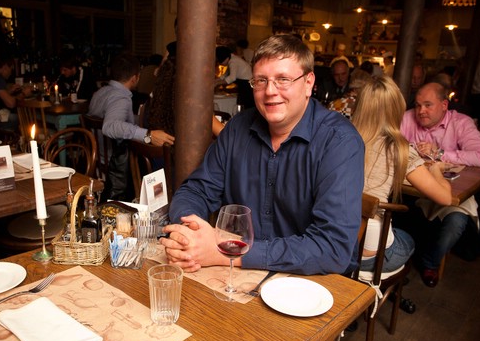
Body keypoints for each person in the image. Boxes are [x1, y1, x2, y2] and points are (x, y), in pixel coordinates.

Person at [159, 34, 365, 275]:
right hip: (236, 274)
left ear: (308, 83)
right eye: (260, 80)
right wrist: (188, 235)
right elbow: (195, 191)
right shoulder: (238, 128)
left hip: (311, 280)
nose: (270, 91)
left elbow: (333, 248)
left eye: (283, 79)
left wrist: (229, 251)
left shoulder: (339, 142)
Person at [351, 76, 452, 273]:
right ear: (396, 109)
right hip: (367, 254)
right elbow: (446, 198)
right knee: (408, 238)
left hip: (335, 243)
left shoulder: (340, 137)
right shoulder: (397, 148)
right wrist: (436, 170)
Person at [400, 82, 480, 287]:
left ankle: (429, 263)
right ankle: (400, 258)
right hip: (414, 191)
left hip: (448, 191)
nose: (421, 111)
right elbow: (393, 145)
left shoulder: (461, 123)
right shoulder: (408, 118)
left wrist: (440, 153)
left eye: (428, 105)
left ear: (444, 105)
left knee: (457, 221)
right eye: (418, 105)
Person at [87, 53, 175, 201]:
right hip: (116, 164)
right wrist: (148, 135)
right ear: (135, 78)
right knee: (155, 156)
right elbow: (110, 126)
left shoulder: (100, 92)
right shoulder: (120, 97)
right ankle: (156, 200)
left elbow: (116, 117)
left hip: (97, 157)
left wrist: (140, 119)